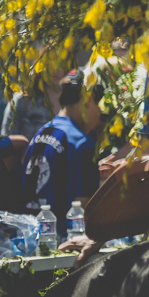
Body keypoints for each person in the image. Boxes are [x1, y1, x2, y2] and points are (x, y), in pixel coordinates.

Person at [19, 70, 104, 237]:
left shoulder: (40, 134)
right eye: (99, 105)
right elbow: (85, 206)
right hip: (66, 238)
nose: (100, 113)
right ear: (88, 100)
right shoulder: (83, 143)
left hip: (31, 234)